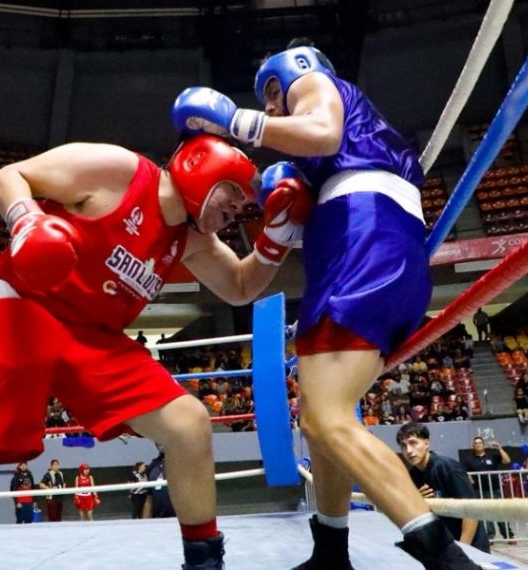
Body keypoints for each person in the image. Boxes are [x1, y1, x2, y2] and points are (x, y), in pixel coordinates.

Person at [0, 134, 310, 570]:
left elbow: (240, 286)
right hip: (22, 310)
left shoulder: (191, 239)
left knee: (188, 423)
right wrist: (27, 220)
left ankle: (203, 562)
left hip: (94, 338)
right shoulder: (118, 170)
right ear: (202, 169)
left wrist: (277, 239)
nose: (237, 210)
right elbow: (8, 176)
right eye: (233, 195)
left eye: (243, 206)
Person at [172, 40, 472, 569]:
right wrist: (281, 230)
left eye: (272, 92)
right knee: (319, 417)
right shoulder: (327, 164)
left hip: (364, 240)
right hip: (368, 246)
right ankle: (331, 551)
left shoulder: (314, 84)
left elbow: (323, 131)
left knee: (327, 418)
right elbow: (241, 285)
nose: (270, 106)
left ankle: (446, 558)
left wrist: (237, 121)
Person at [397, 424, 490, 554]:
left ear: (426, 443)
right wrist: (417, 501)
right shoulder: (413, 475)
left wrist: (462, 550)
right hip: (444, 546)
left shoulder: (447, 467)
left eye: (413, 443)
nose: (409, 451)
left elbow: (471, 511)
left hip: (470, 546)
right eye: (403, 446)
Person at [461, 436, 511, 541]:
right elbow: (464, 472)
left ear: (483, 445)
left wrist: (500, 448)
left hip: (495, 489)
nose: (478, 445)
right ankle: (490, 536)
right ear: (473, 446)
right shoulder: (469, 459)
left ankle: (508, 535)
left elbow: (507, 461)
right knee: (486, 514)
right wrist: (470, 479)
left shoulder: (492, 455)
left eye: (480, 443)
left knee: (500, 512)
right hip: (480, 490)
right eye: (476, 443)